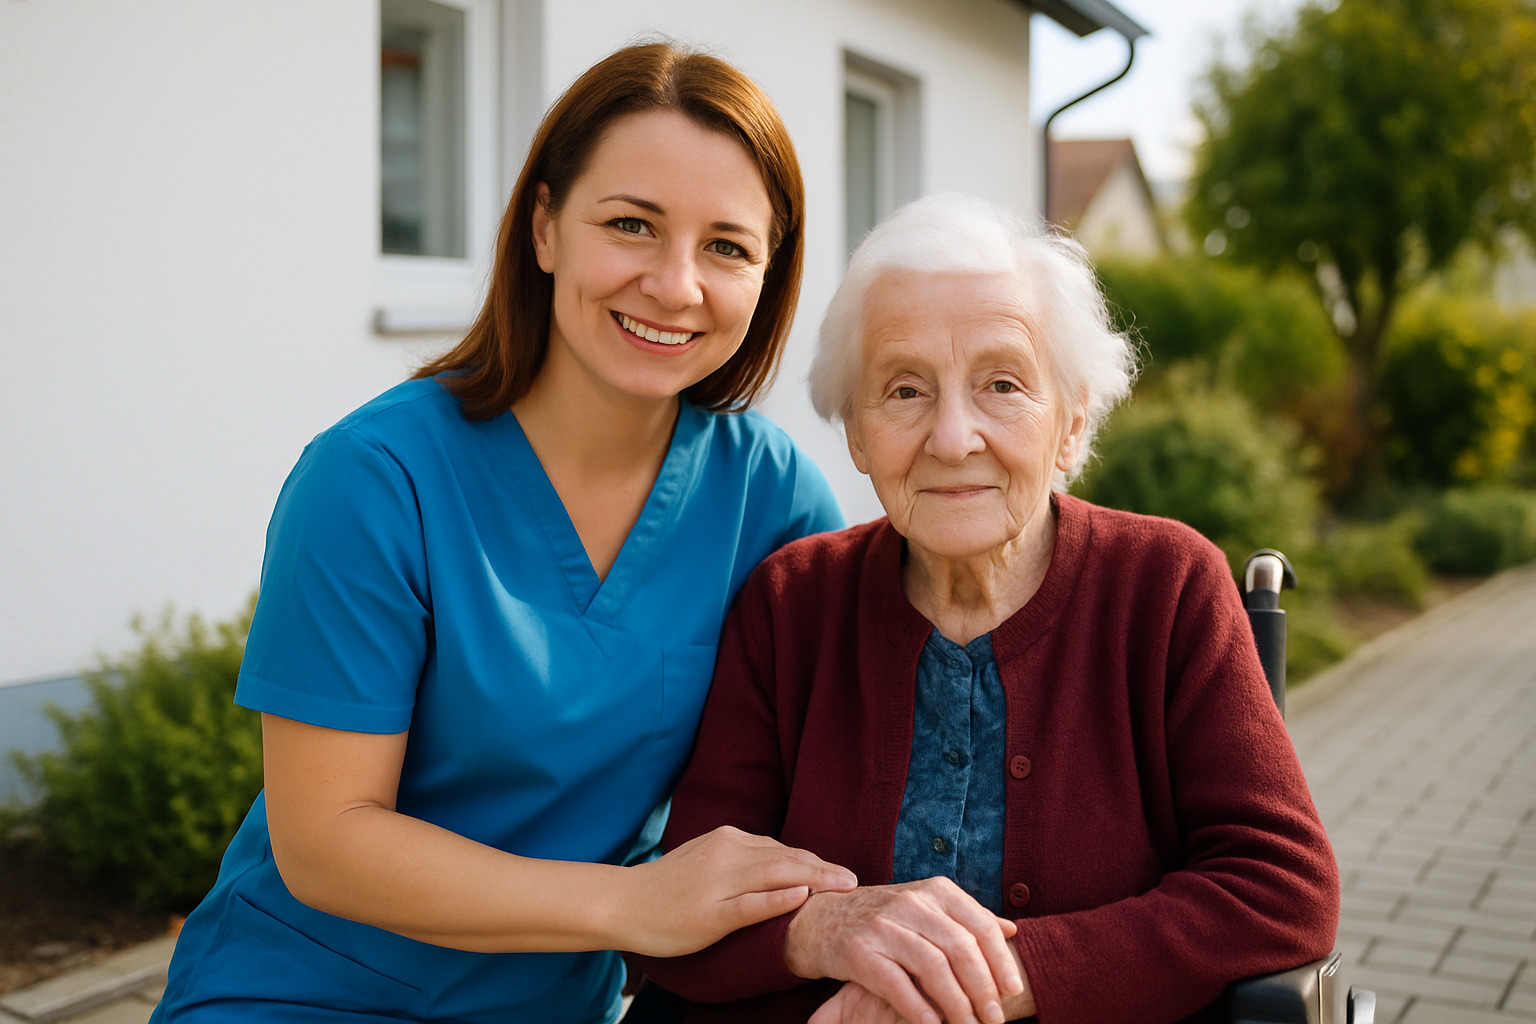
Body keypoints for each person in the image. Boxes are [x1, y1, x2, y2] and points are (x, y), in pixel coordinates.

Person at [150, 42, 858, 1024]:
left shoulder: (769, 494)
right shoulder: (373, 477)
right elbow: (327, 838)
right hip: (302, 995)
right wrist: (636, 906)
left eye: (727, 247)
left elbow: (885, 723)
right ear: (544, 227)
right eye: (631, 225)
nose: (675, 283)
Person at [628, 194, 1341, 1024]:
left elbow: (1282, 885)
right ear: (856, 433)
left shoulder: (1166, 584)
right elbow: (674, 916)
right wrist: (823, 933)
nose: (953, 436)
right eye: (904, 390)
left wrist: (996, 974)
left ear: (1072, 426)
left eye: (1002, 384)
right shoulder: (789, 605)